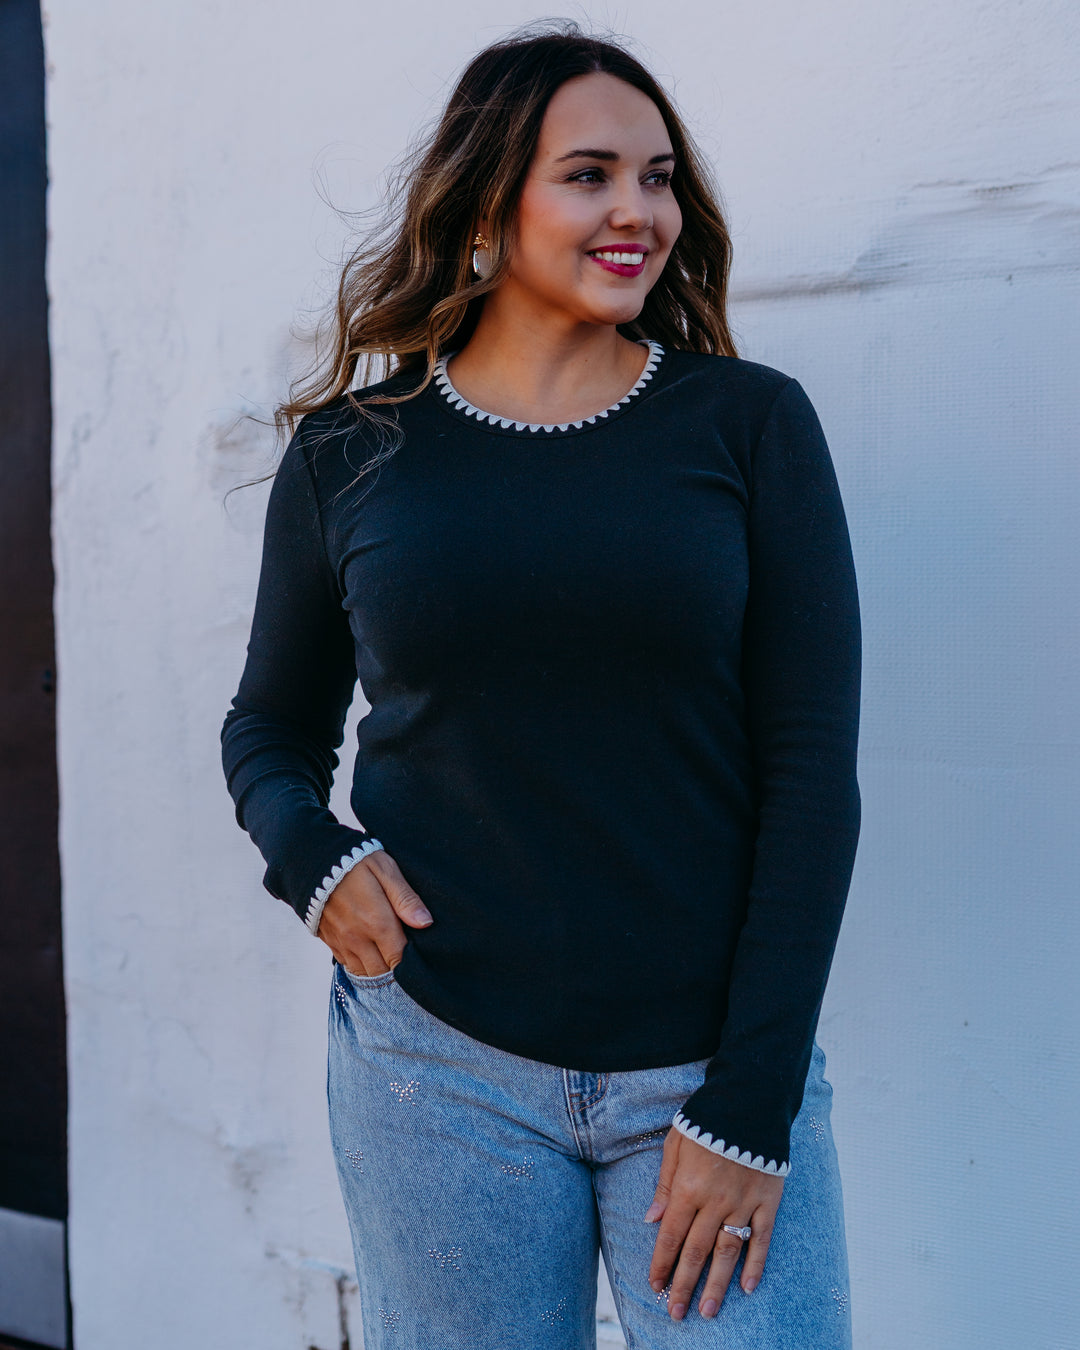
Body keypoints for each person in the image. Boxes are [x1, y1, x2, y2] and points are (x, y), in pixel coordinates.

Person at [221, 22, 861, 1350]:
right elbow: (269, 727)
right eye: (589, 175)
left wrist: (751, 1102)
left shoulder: (749, 426)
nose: (640, 211)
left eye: (658, 177)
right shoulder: (352, 452)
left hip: (708, 1069)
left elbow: (811, 774)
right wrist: (313, 859)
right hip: (435, 1066)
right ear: (485, 205)